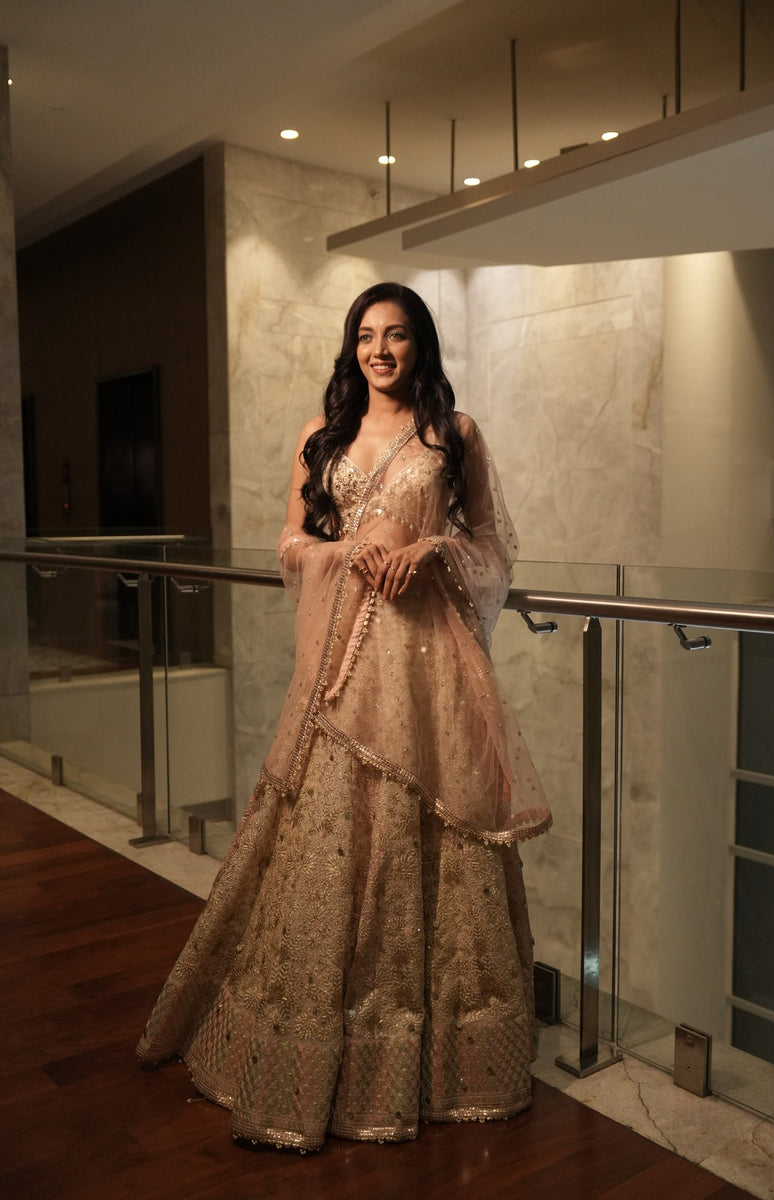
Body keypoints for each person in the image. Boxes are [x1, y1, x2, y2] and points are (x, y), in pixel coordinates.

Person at [136, 281, 551, 1152]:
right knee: (329, 842)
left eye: (396, 335)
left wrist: (431, 548)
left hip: (428, 667)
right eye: (366, 335)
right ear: (351, 347)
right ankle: (315, 1052)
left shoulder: (454, 433)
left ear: (420, 344)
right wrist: (345, 552)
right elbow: (290, 545)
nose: (380, 350)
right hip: (340, 670)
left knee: (436, 836)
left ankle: (439, 1063)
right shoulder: (319, 436)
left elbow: (495, 545)